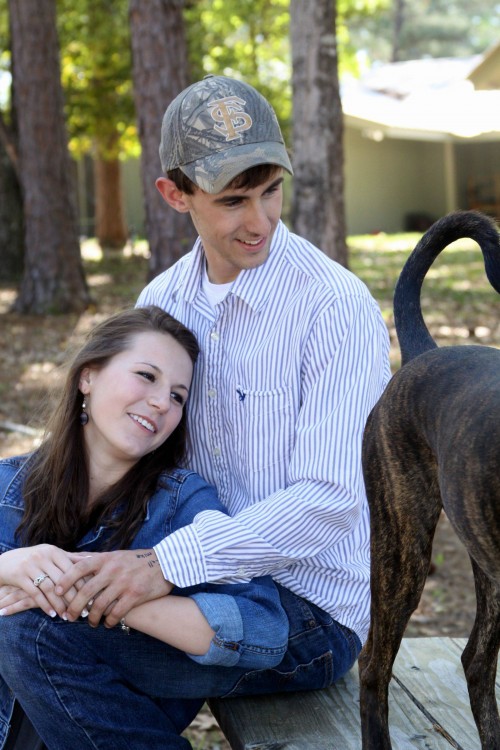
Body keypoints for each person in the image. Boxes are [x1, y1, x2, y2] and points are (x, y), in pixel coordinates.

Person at [0, 75, 391, 748]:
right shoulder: (165, 299)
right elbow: (120, 451)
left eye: (272, 192)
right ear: (175, 193)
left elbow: (329, 499)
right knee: (36, 633)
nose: (261, 220)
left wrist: (161, 566)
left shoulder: (335, 306)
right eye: (234, 199)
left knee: (33, 635)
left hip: (307, 611)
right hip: (173, 583)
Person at [0, 305, 289, 750]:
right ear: (87, 377)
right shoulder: (7, 486)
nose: (161, 402)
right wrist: (9, 565)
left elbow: (264, 630)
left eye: (178, 396)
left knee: (24, 625)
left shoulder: (181, 504)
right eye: (146, 376)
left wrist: (105, 594)